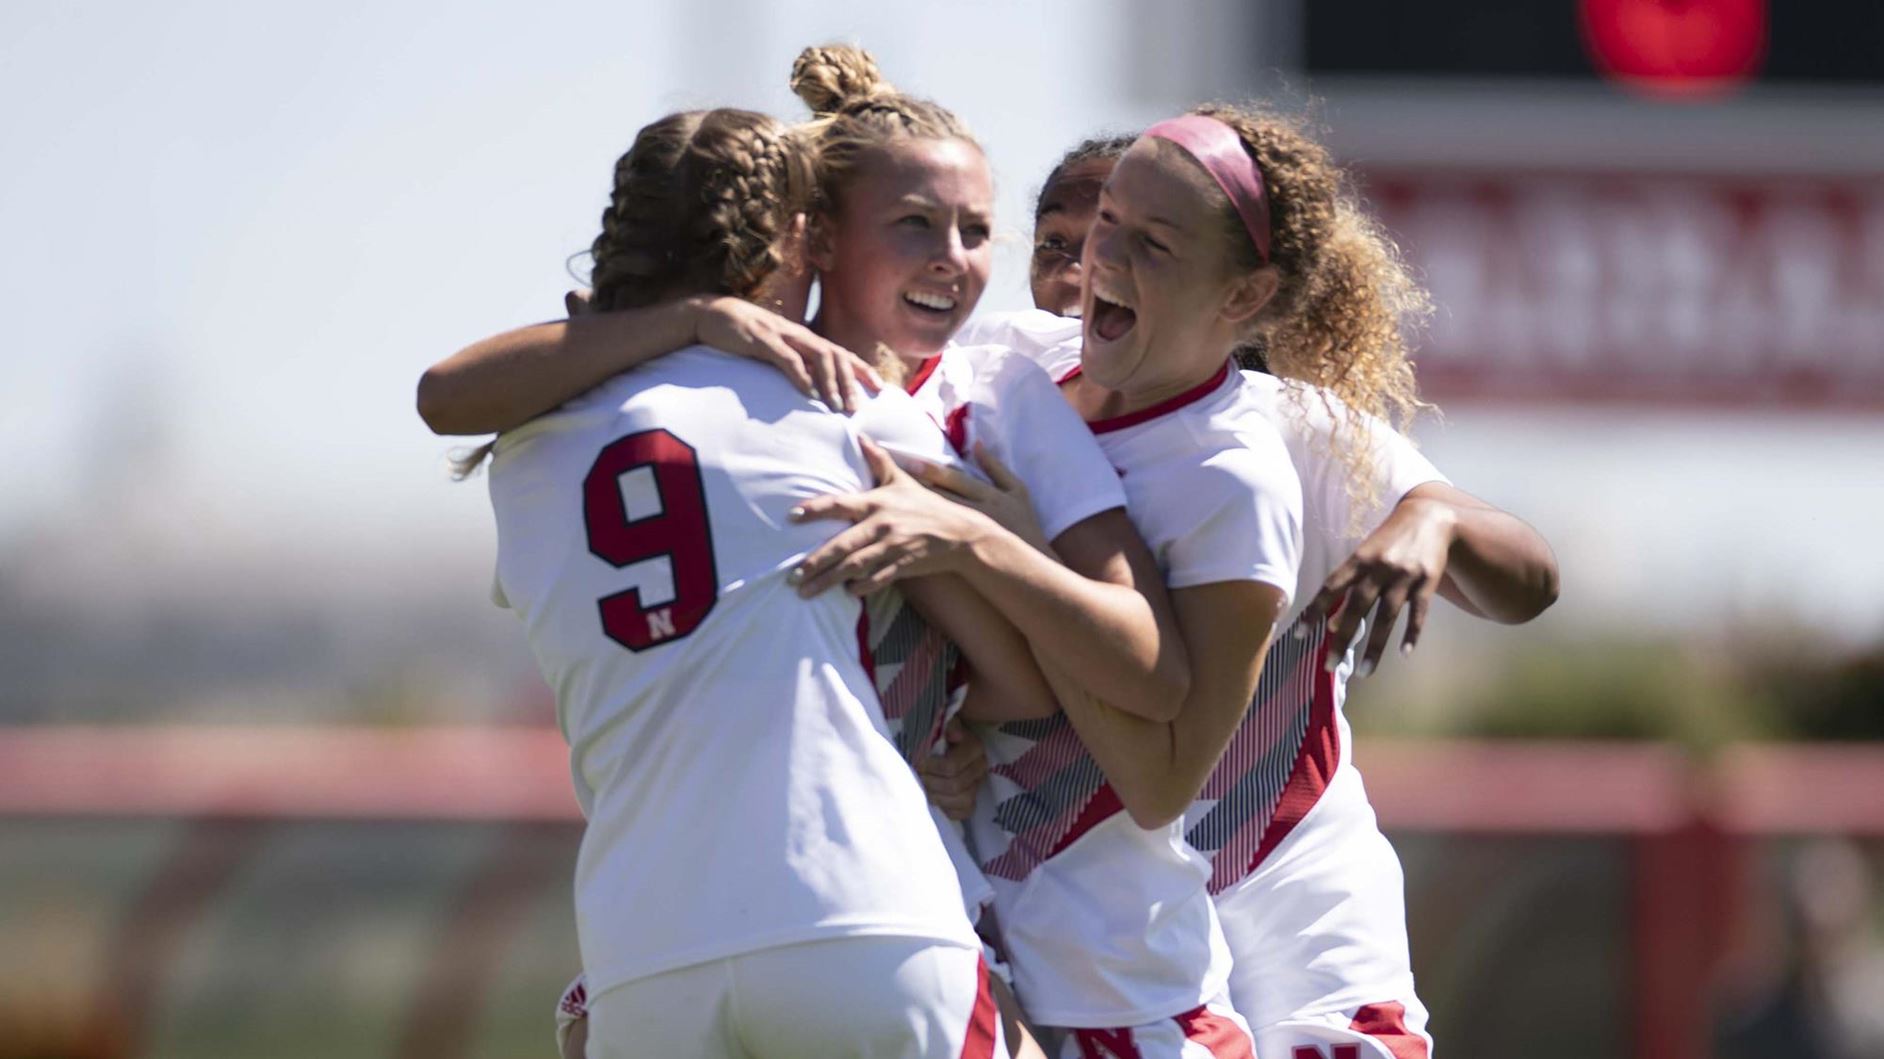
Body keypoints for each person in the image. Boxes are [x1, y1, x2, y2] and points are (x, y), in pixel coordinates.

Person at [950, 110, 1559, 1058]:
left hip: (1287, 903)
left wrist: (1429, 516)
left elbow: (1530, 578)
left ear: (1236, 292)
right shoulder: (1002, 379)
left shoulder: (1274, 440)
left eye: (1140, 238)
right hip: (1098, 932)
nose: (1086, 267)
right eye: (1064, 241)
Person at [477, 105, 1012, 1059]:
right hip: (864, 919)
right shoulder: (837, 402)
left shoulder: (521, 453)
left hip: (643, 958)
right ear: (793, 241)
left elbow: (443, 395)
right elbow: (1026, 648)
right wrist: (951, 723)